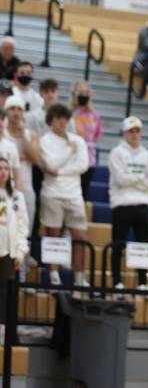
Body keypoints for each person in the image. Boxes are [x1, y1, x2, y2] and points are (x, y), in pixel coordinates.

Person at [39, 104, 90, 287]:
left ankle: (79, 278)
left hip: (74, 194)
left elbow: (83, 165)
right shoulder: (44, 140)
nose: (62, 122)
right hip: (52, 193)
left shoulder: (78, 140)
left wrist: (60, 172)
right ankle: (54, 275)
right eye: (58, 118)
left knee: (81, 238)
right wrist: (69, 151)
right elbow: (50, 165)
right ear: (51, 120)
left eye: (65, 118)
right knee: (53, 235)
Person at [108, 116, 148, 292]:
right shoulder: (116, 153)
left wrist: (133, 180)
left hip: (143, 205)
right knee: (118, 245)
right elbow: (120, 180)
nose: (135, 134)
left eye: (137, 131)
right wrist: (140, 179)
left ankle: (143, 282)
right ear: (124, 133)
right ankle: (116, 282)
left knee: (143, 246)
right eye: (131, 131)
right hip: (122, 205)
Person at [4, 96, 39, 253]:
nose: (16, 113)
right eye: (12, 109)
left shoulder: (31, 134)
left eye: (19, 109)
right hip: (4, 189)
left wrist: (23, 135)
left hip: (25, 189)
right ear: (6, 112)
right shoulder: (1, 134)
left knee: (24, 233)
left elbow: (36, 158)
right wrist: (22, 156)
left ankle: (22, 275)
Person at [0, 157, 29, 335]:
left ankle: (2, 331)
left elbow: (22, 227)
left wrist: (20, 252)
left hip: (7, 252)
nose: (2, 172)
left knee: (3, 293)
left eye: (5, 168)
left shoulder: (17, 197)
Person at [70, 81, 103, 200]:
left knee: (84, 191)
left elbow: (98, 135)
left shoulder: (94, 115)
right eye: (80, 92)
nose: (83, 95)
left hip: (89, 157)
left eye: (86, 92)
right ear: (74, 93)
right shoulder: (70, 113)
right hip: (72, 157)